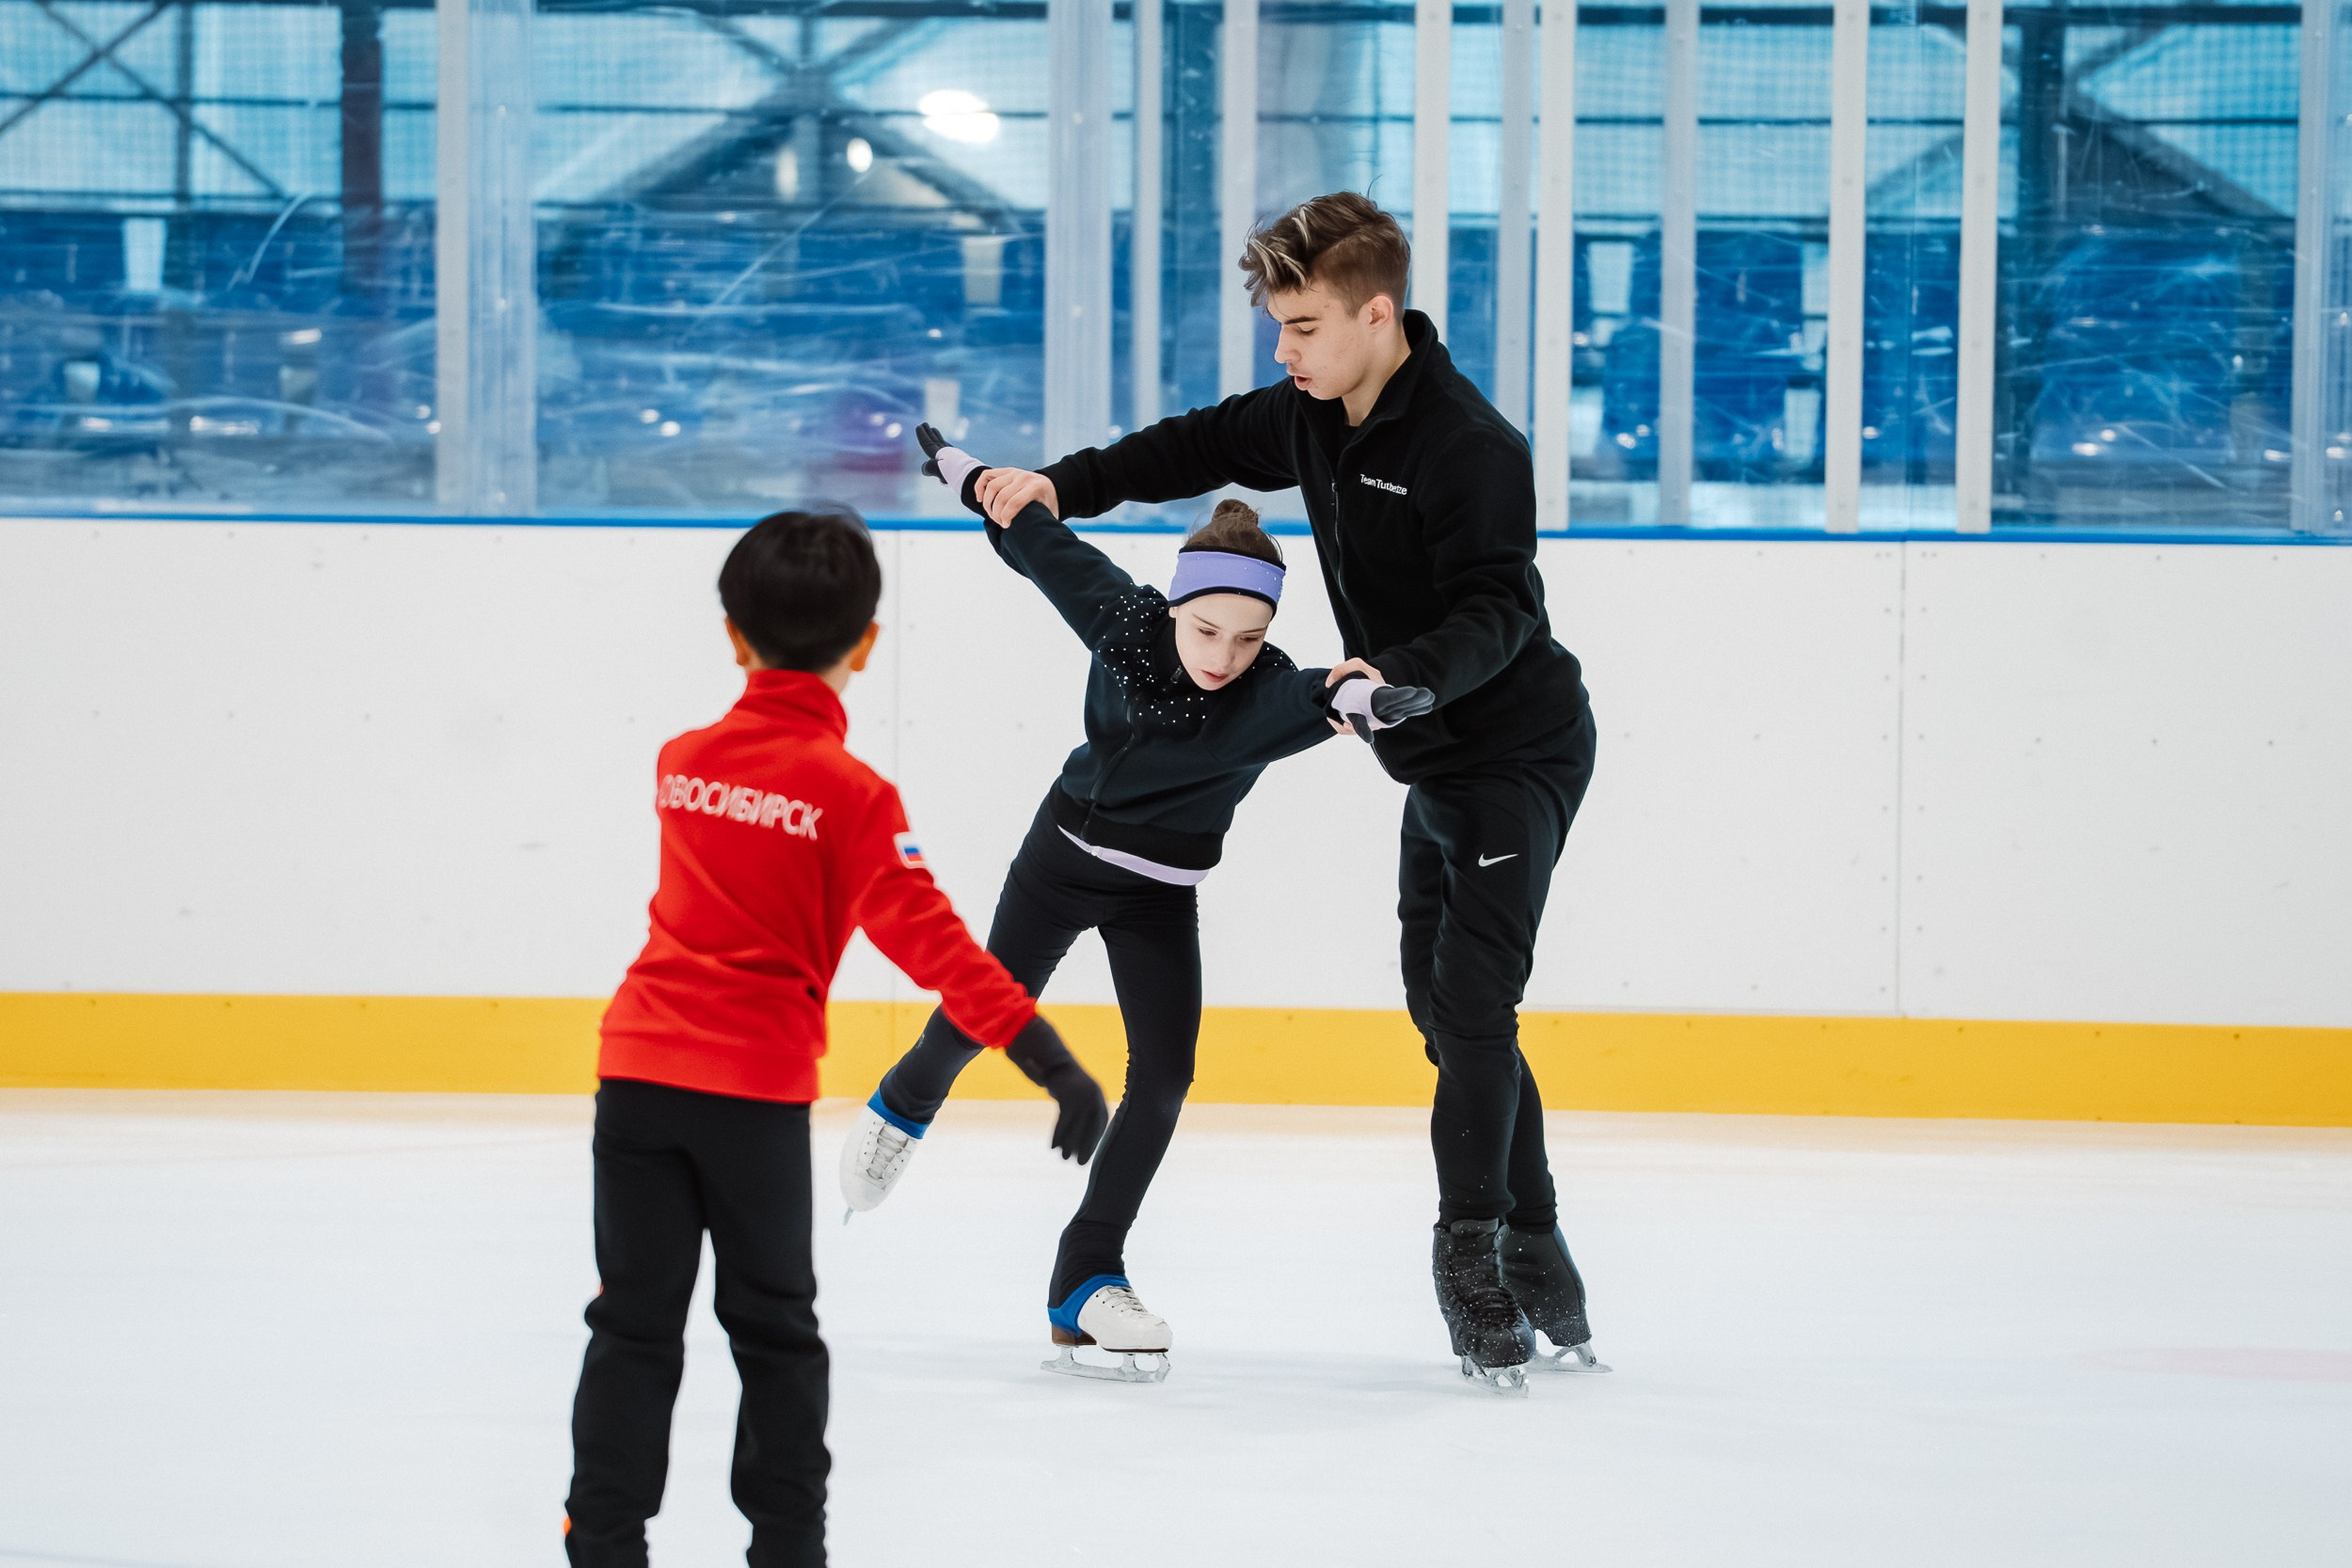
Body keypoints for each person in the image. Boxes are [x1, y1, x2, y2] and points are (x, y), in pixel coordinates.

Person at [962, 191, 1606, 1394]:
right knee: (1445, 1007)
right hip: (1422, 752)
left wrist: (1400, 673)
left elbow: (1502, 610)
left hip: (1513, 751)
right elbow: (1191, 447)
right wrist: (1057, 485)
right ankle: (1538, 1241)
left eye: (1302, 325)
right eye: (1276, 325)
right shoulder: (1315, 412)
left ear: (1377, 312)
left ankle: (1475, 1258)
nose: (1283, 350)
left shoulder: (1471, 446)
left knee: (1469, 1010)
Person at [564, 507, 1106, 1568]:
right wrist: (1047, 1056)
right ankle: (785, 1550)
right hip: (750, 1098)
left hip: (634, 1076)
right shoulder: (851, 796)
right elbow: (936, 943)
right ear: (866, 643)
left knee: (632, 1325)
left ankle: (606, 1543)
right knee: (773, 1330)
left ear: (732, 633)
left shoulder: (682, 763)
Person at [835, 424, 1434, 1385]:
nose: (1224, 655)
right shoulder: (1122, 622)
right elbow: (1037, 535)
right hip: (1063, 858)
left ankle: (1084, 1275)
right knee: (979, 1019)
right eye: (1206, 630)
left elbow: (1329, 693)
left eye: (1248, 638)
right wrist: (963, 470)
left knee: (1162, 1073)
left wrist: (1366, 694)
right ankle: (903, 1103)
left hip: (1162, 891)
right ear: (1176, 609)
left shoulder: (1268, 691)